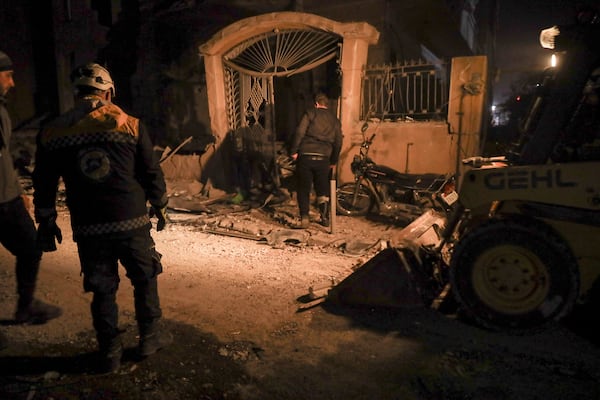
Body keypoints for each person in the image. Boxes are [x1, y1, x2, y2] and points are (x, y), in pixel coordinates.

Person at [32, 62, 172, 373]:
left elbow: (44, 180)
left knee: (102, 288)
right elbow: (151, 171)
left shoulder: (54, 130)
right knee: (145, 276)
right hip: (131, 220)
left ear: (77, 92)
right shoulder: (128, 123)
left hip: (89, 225)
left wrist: (47, 219)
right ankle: (149, 338)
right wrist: (160, 205)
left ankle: (110, 352)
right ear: (107, 92)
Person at [0, 50, 62, 350]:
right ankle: (26, 306)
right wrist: (13, 193)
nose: (12, 83)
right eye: (8, 75)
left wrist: (18, 190)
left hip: (7, 196)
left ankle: (26, 306)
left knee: (29, 247)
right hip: (1, 200)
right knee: (30, 247)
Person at [289, 92, 342, 228]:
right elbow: (338, 142)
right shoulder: (334, 120)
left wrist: (294, 151)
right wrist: (333, 160)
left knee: (304, 188)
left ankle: (305, 218)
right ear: (326, 105)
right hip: (324, 158)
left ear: (316, 103)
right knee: (322, 188)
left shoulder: (310, 113)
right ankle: (324, 217)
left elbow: (300, 132)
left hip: (306, 155)